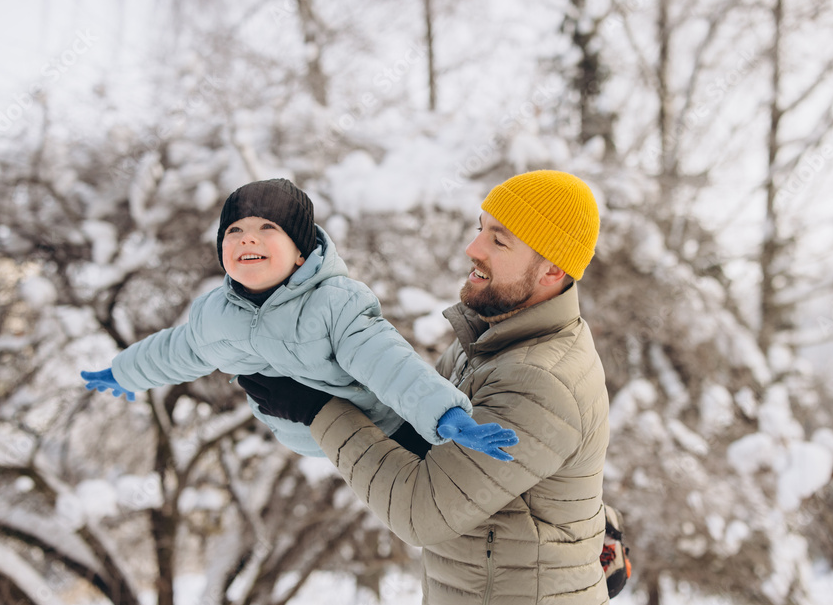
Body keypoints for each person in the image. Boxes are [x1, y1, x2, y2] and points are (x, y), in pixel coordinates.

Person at [242, 170, 611, 605]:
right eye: (480, 228)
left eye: (499, 240)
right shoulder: (489, 343)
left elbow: (422, 511)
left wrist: (317, 409)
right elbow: (418, 435)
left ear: (552, 270)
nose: (473, 248)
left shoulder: (537, 380)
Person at [80, 178, 518, 460]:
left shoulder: (333, 303)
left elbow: (386, 362)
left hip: (391, 430)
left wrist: (444, 414)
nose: (247, 238)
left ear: (301, 254)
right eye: (234, 231)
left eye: (267, 228)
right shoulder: (215, 314)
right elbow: (177, 351)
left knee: (452, 493)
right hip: (321, 444)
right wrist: (126, 372)